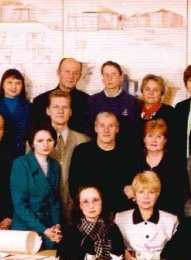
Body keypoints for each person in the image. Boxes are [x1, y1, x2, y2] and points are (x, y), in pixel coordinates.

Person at [69, 112, 134, 217]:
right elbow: (74, 186)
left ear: (117, 128)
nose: (106, 130)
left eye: (111, 126)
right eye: (102, 125)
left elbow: (130, 188)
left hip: (119, 213)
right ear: (96, 128)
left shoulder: (127, 154)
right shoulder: (82, 152)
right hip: (88, 214)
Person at [10, 126, 62, 249]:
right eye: (40, 141)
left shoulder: (55, 165)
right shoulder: (21, 163)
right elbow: (20, 205)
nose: (45, 145)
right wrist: (44, 230)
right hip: (26, 228)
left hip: (48, 227)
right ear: (32, 143)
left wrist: (56, 225)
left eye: (49, 140)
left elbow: (55, 202)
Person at [46, 90, 90, 225]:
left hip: (76, 213)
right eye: (56, 107)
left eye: (64, 107)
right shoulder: (35, 142)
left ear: (70, 112)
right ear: (48, 111)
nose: (60, 111)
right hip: (46, 213)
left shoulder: (84, 141)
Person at [128, 119, 188, 219]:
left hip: (168, 216)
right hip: (139, 216)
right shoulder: (135, 162)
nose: (154, 141)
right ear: (144, 139)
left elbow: (177, 195)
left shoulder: (176, 164)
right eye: (150, 136)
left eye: (159, 137)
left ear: (165, 140)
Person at [115, 171, 178, 260]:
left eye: (151, 192)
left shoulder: (171, 220)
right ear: (134, 195)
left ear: (157, 194)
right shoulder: (120, 218)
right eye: (141, 192)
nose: (146, 197)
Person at [84, 61, 141, 152]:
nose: (109, 78)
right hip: (98, 151)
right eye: (106, 75)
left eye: (113, 74)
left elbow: (135, 133)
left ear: (121, 77)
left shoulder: (131, 102)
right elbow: (89, 130)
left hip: (124, 152)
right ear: (103, 78)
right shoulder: (93, 101)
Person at [57, 185, 125, 260]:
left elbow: (120, 257)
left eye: (95, 200)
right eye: (85, 201)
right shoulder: (70, 231)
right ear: (80, 205)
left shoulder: (112, 228)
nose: (91, 206)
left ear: (102, 202)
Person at [30, 58, 89, 135]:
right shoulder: (41, 101)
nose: (71, 76)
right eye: (67, 72)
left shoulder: (87, 101)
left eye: (76, 73)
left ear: (80, 76)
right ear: (58, 72)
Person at [0, 68, 31, 155]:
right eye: (9, 82)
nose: (14, 87)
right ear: (2, 85)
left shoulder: (30, 108)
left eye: (18, 83)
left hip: (22, 156)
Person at [138, 74, 175, 148]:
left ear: (161, 93)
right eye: (147, 89)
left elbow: (173, 142)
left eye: (155, 90)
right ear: (142, 91)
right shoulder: (135, 110)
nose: (151, 93)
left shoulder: (170, 113)